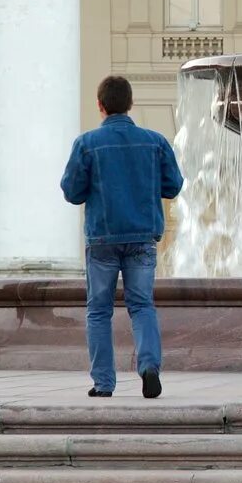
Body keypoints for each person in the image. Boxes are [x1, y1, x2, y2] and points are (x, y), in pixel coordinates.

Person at [60, 76, 183, 400]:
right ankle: (149, 367)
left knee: (98, 310)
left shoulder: (87, 143)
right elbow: (174, 185)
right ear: (131, 104)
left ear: (100, 106)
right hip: (142, 235)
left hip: (102, 236)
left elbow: (72, 192)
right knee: (142, 305)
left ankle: (103, 383)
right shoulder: (155, 141)